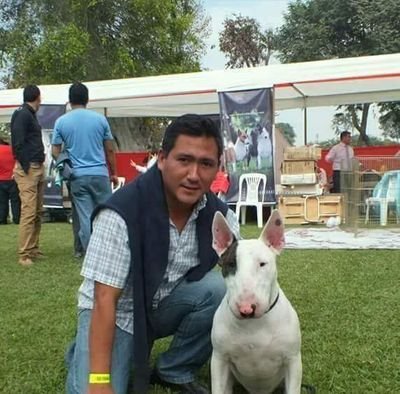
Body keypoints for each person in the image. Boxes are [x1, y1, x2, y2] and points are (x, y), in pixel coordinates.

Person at [65, 114, 240, 394]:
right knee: (96, 388)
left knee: (218, 290)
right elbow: (104, 298)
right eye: (184, 160)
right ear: (161, 159)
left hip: (163, 304)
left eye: (206, 163)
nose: (194, 175)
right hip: (121, 312)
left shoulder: (220, 216)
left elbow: (244, 275)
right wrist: (99, 381)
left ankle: (174, 368)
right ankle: (84, 352)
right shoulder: (121, 212)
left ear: (218, 167)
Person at [51, 82, 118, 251]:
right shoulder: (100, 120)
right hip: (100, 174)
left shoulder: (61, 122)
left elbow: (54, 151)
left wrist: (65, 164)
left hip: (77, 176)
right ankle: (111, 250)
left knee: (86, 217)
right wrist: (114, 173)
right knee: (107, 215)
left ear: (70, 100)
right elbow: (109, 149)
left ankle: (90, 254)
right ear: (87, 99)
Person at [11, 85, 45, 266]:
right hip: (29, 169)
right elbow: (17, 142)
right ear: (37, 97)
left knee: (38, 211)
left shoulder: (30, 114)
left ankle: (33, 248)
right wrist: (25, 165)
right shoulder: (22, 114)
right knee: (29, 211)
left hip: (37, 166)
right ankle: (23, 254)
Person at [0, 137, 21, 224]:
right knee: (15, 201)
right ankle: (17, 219)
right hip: (13, 178)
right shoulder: (12, 150)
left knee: (2, 201)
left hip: (1, 179)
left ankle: (2, 219)